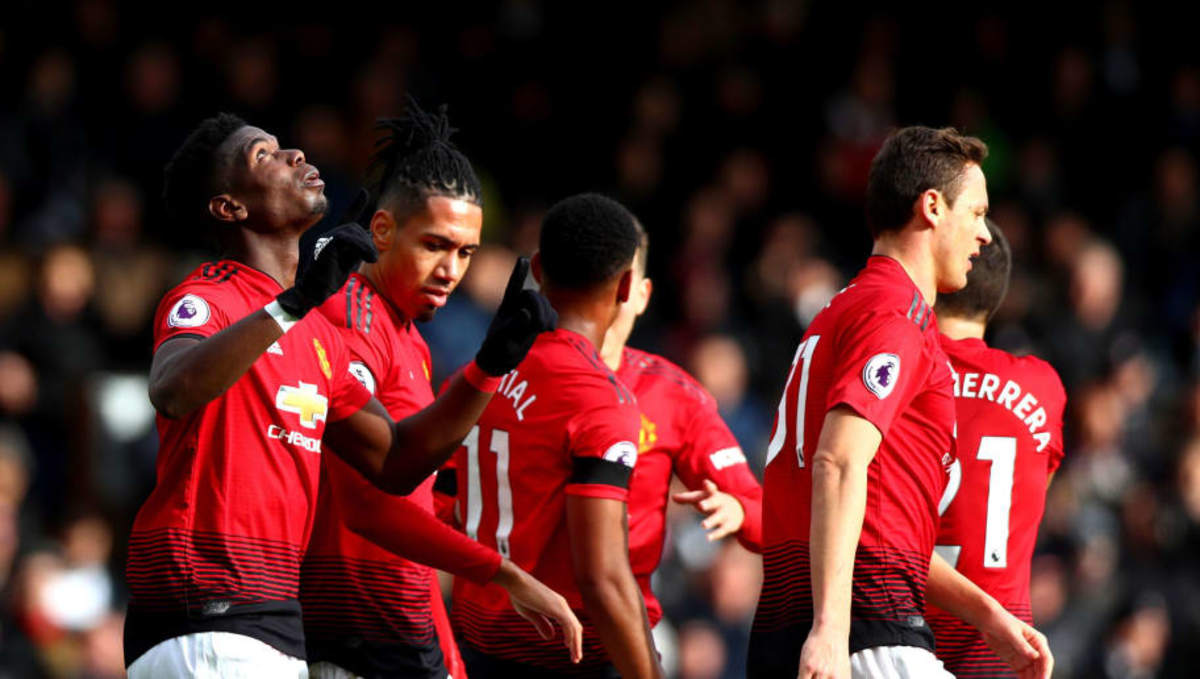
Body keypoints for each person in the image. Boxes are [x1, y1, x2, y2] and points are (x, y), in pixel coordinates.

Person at [124, 113, 560, 678]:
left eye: (284, 146)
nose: (294, 155)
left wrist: (490, 366)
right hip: (203, 613)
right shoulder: (211, 294)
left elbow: (394, 463)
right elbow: (171, 390)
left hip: (274, 626)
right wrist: (293, 303)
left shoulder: (318, 334)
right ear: (230, 207)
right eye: (263, 155)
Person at [747, 126, 1051, 679]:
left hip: (797, 627)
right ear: (932, 207)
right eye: (977, 213)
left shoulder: (841, 310)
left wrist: (989, 617)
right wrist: (832, 629)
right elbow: (838, 462)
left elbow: (881, 530)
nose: (984, 235)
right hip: (867, 633)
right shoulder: (895, 315)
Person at [302, 103, 580, 679]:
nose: (451, 270)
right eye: (435, 245)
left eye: (466, 252)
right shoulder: (345, 316)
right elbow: (371, 504)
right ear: (382, 230)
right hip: (354, 642)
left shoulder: (410, 338)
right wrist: (502, 573)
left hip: (405, 638)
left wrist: (447, 655)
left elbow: (412, 509)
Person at [449, 194, 663, 678]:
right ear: (626, 286)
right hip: (563, 657)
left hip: (470, 651)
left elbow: (436, 516)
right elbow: (603, 578)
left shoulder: (471, 381)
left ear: (538, 269)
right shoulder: (601, 400)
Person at [597, 227, 763, 632]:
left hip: (623, 631)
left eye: (621, 281)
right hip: (507, 630)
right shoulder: (503, 381)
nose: (607, 295)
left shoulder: (673, 395)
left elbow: (763, 516)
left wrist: (740, 510)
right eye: (590, 279)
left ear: (642, 294)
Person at [927, 220, 1067, 677]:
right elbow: (1034, 492)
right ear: (998, 296)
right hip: (1002, 651)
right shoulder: (1042, 386)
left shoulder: (901, 368)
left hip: (899, 639)